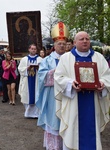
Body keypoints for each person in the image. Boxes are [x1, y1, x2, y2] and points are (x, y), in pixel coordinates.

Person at [54, 31, 110, 150]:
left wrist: (102, 84)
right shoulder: (66, 58)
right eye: (81, 39)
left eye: (87, 39)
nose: (85, 41)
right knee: (72, 133)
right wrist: (70, 83)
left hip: (93, 101)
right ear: (74, 42)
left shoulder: (99, 58)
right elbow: (59, 77)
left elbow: (107, 75)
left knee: (92, 134)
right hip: (74, 101)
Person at [36, 22, 68, 150]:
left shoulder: (70, 59)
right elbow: (41, 77)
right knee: (54, 121)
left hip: (67, 95)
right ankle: (53, 147)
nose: (62, 46)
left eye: (64, 44)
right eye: (59, 44)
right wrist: (55, 72)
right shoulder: (47, 60)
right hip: (52, 96)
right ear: (54, 46)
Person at [18, 43, 42, 118]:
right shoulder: (24, 59)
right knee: (27, 96)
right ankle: (28, 113)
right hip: (27, 79)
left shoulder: (40, 59)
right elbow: (20, 69)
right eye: (32, 49)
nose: (33, 50)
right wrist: (26, 69)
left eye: (35, 49)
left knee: (36, 95)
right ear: (29, 49)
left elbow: (44, 70)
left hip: (36, 80)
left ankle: (36, 113)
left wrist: (39, 68)